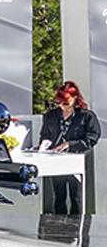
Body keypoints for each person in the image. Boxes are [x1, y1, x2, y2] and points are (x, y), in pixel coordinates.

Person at [39, 80, 100, 215]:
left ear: (75, 98)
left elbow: (92, 137)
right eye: (58, 103)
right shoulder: (51, 116)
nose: (62, 106)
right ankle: (59, 228)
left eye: (65, 103)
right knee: (58, 197)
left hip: (75, 161)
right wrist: (43, 146)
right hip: (56, 161)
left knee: (76, 197)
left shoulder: (86, 116)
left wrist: (70, 144)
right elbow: (45, 135)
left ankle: (76, 228)